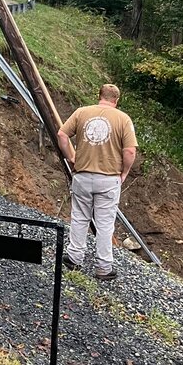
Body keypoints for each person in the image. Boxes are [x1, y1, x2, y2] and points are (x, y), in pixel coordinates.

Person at [57, 83, 137, 281]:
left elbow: (62, 135)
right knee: (104, 223)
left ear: (99, 95)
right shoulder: (123, 119)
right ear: (116, 100)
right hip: (109, 179)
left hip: (82, 176)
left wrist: (71, 157)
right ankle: (103, 267)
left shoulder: (82, 112)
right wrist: (125, 172)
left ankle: (74, 258)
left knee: (79, 217)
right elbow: (130, 151)